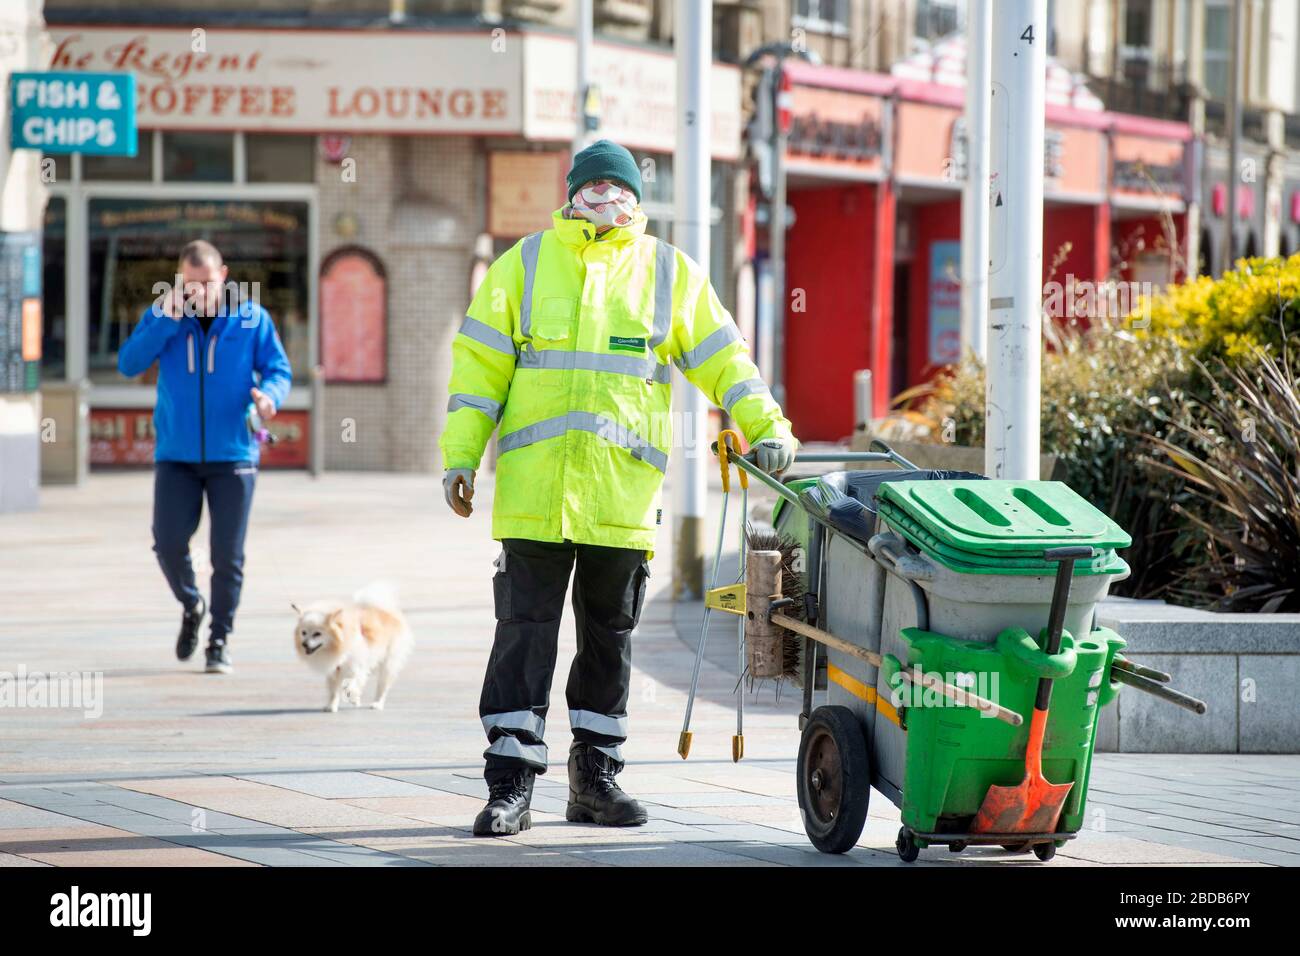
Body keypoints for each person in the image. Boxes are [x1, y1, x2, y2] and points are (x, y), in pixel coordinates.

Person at [439, 140, 797, 836]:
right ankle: (510, 785)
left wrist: (767, 425)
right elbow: (478, 368)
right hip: (535, 496)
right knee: (524, 638)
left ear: (637, 197)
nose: (606, 195)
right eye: (593, 184)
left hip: (620, 500)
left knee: (609, 641)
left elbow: (725, 358)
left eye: (618, 185)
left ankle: (594, 781)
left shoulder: (668, 272)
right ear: (570, 193)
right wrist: (459, 457)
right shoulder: (526, 264)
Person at [118, 240, 292, 674]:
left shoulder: (251, 320)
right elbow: (128, 363)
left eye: (206, 283)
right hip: (176, 454)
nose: (197, 292)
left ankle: (219, 640)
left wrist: (269, 398)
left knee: (227, 555)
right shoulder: (165, 317)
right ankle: (191, 603)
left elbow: (279, 370)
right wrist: (165, 318)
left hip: (234, 454)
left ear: (224, 276)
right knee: (169, 541)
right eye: (189, 284)